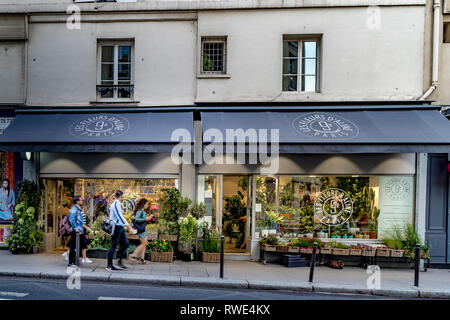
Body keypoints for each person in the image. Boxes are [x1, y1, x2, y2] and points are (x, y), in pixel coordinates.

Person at [106, 190, 136, 271]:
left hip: (120, 227)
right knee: (113, 246)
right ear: (121, 196)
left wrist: (126, 225)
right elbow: (119, 216)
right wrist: (129, 226)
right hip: (116, 227)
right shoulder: (115, 204)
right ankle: (109, 265)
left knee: (125, 244)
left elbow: (120, 217)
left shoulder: (118, 204)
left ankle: (119, 261)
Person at [129, 199, 154, 264]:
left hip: (142, 229)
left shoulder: (142, 211)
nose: (147, 205)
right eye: (146, 204)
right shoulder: (140, 211)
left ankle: (142, 259)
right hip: (141, 230)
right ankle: (133, 255)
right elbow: (137, 219)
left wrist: (149, 217)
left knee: (144, 244)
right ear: (143, 204)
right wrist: (146, 218)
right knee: (144, 243)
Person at [68, 196, 89, 266]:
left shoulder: (78, 209)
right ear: (77, 201)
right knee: (73, 246)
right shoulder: (74, 209)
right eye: (81, 200)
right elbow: (72, 220)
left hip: (80, 230)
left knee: (81, 244)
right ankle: (71, 262)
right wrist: (76, 229)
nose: (82, 201)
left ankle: (75, 260)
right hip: (76, 231)